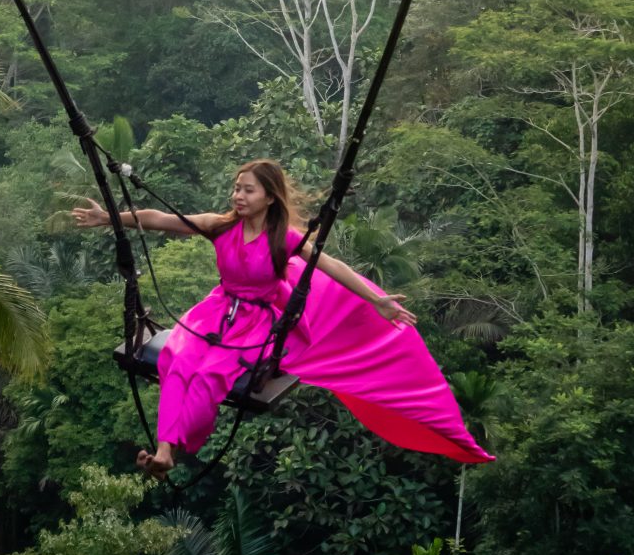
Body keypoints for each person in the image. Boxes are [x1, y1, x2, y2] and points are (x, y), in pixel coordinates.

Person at [73, 159, 493, 479]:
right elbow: (159, 218)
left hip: (257, 322)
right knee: (177, 360)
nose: (238, 197)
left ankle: (176, 449)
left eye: (248, 191)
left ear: (269, 197)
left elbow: (333, 267)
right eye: (236, 189)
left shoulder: (284, 239)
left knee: (210, 375)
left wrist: (377, 301)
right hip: (217, 311)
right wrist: (109, 218)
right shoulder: (221, 227)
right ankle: (165, 448)